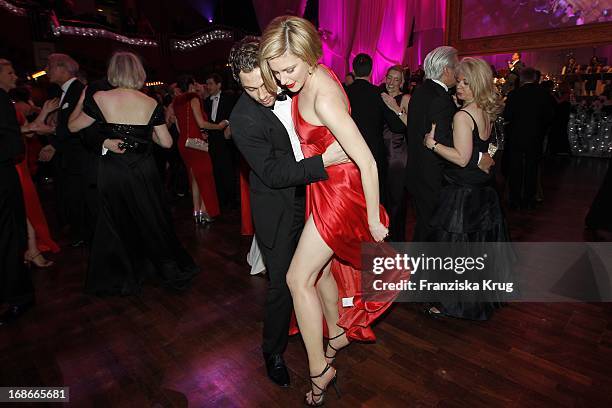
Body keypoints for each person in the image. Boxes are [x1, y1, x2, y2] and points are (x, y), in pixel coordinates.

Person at [259, 16, 399, 405]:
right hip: (323, 189)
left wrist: (372, 217)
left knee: (295, 278)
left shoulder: (323, 95)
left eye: (289, 68)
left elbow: (367, 161)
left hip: (338, 195)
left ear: (309, 57)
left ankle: (320, 369)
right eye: (277, 70)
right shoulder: (313, 77)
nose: (284, 78)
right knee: (319, 275)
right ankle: (336, 334)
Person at [228, 38, 348, 388]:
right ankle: (272, 350)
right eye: (249, 89)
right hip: (278, 208)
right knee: (282, 284)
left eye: (264, 84)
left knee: (321, 268)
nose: (262, 94)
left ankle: (335, 329)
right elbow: (274, 174)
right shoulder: (243, 119)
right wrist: (323, 163)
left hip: (315, 195)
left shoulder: (292, 84)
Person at [68, 52, 199, 295]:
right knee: (150, 218)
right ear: (139, 73)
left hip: (112, 171)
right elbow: (167, 143)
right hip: (143, 170)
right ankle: (160, 268)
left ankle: (123, 275)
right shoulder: (150, 102)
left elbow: (73, 126)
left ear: (113, 71)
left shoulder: (99, 97)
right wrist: (142, 135)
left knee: (114, 221)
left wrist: (82, 100)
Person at [423, 57, 512, 320]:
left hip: (462, 192)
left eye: (465, 82)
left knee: (454, 251)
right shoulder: (487, 111)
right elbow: (488, 149)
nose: (459, 86)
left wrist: (433, 145)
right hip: (483, 190)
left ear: (478, 84)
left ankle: (451, 304)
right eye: (459, 81)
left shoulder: (463, 116)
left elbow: (462, 157)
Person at [405, 46, 493, 242]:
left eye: (465, 81)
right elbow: (454, 147)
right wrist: (483, 157)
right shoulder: (443, 100)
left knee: (428, 228)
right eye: (458, 75)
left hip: (420, 172)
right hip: (436, 177)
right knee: (438, 232)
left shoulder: (421, 91)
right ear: (447, 70)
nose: (459, 81)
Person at [38, 53, 90, 247]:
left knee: (78, 197)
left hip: (78, 157)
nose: (46, 70)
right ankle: (78, 231)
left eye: (49, 66)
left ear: (63, 68)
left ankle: (83, 234)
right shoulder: (62, 93)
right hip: (68, 158)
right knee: (70, 196)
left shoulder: (78, 90)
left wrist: (54, 143)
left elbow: (75, 127)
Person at [0, 59, 35, 325]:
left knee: (9, 233)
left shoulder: (4, 100)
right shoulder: (3, 101)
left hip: (5, 172)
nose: (15, 76)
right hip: (6, 172)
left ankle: (19, 296)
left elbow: (11, 144)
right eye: (10, 72)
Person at [345, 54, 405, 200]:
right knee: (373, 196)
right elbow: (397, 126)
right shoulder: (378, 93)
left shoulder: (344, 92)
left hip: (347, 152)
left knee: (352, 196)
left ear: (353, 71)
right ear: (371, 72)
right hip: (373, 153)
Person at [173, 75, 225, 224]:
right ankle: (205, 212)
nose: (197, 85)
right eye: (195, 83)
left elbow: (178, 125)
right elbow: (201, 123)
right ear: (190, 85)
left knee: (194, 178)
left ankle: (196, 212)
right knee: (205, 177)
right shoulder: (193, 98)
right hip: (196, 144)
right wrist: (218, 126)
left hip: (184, 143)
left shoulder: (176, 101)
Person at [503, 67, 555, 210]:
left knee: (515, 167)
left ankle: (515, 199)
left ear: (522, 79)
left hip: (516, 137)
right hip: (536, 137)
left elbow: (507, 116)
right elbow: (550, 117)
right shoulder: (544, 95)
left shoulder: (514, 94)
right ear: (535, 78)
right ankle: (529, 198)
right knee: (532, 168)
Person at [380, 65, 411, 241]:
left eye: (396, 79)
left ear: (402, 82)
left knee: (397, 197)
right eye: (389, 78)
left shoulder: (405, 98)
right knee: (383, 196)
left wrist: (395, 107)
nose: (391, 82)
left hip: (398, 154)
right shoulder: (379, 96)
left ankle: (396, 238)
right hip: (381, 152)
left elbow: (411, 126)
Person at [203, 73, 237, 209]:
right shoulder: (205, 102)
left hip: (225, 138)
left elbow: (235, 114)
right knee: (216, 171)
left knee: (228, 169)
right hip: (212, 140)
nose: (208, 86)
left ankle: (232, 200)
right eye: (207, 84)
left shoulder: (229, 98)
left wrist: (227, 122)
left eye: (211, 83)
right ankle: (221, 200)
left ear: (219, 85)